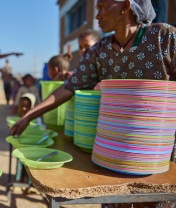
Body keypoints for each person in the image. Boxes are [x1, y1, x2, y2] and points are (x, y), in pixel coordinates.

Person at [10, 0, 176, 207]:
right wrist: (29, 116)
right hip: (110, 151)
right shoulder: (100, 50)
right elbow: (67, 87)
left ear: (125, 6)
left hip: (155, 153)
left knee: (153, 199)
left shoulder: (163, 37)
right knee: (112, 198)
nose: (97, 16)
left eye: (103, 7)